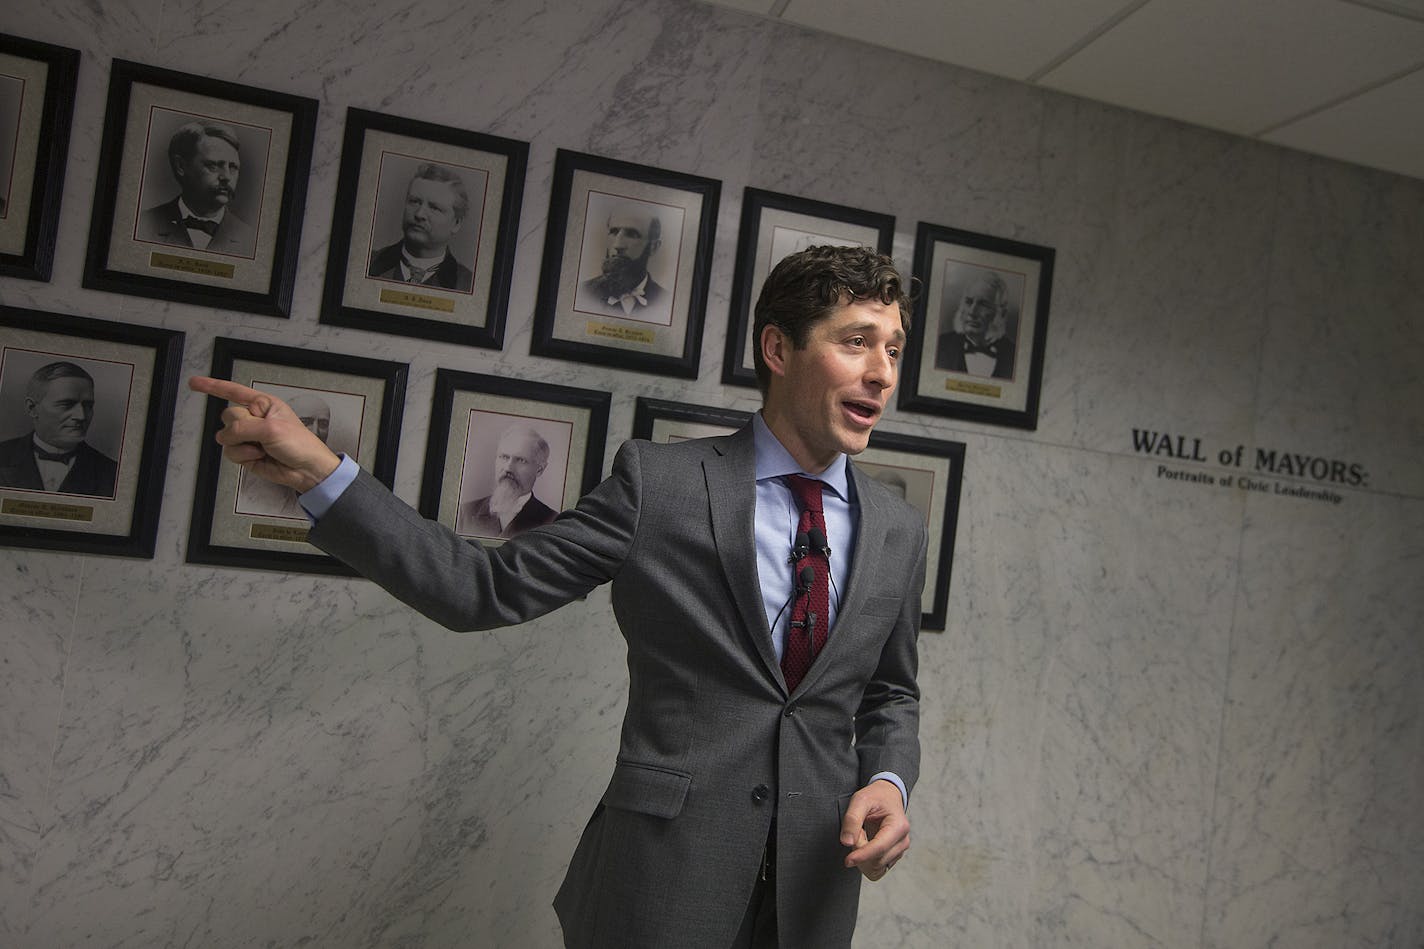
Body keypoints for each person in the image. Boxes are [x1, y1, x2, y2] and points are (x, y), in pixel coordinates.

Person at [190, 244, 924, 949]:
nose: (881, 372)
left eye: (892, 349)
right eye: (857, 341)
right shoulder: (659, 486)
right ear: (778, 349)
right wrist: (322, 472)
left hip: (814, 896)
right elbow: (481, 589)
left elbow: (890, 692)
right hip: (660, 886)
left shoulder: (898, 528)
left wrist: (888, 779)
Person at [136, 121, 257, 257]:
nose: (227, 177)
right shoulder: (143, 224)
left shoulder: (251, 239)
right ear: (181, 166)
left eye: (233, 167)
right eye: (214, 165)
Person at [0, 361, 118, 497]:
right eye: (66, 404)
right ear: (32, 408)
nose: (81, 416)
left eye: (88, 405)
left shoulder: (112, 473)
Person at [367, 163, 475, 292]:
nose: (419, 214)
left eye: (434, 207)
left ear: (456, 223)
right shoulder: (368, 263)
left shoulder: (468, 285)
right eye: (414, 201)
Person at [235, 392, 332, 519]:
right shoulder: (256, 471)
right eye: (305, 421)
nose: (315, 432)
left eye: (323, 424)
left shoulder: (329, 480)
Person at [457, 423, 559, 539]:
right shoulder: (465, 513)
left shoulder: (553, 522)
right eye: (504, 457)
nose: (508, 468)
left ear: (540, 469)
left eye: (521, 460)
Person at [574, 201, 668, 319]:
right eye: (614, 232)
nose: (617, 245)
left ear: (653, 247)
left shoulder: (664, 301)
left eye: (632, 234)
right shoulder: (583, 293)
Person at [934, 270, 1017, 378]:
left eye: (983, 305)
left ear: (1002, 313)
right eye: (968, 302)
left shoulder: (1015, 356)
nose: (972, 312)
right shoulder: (940, 345)